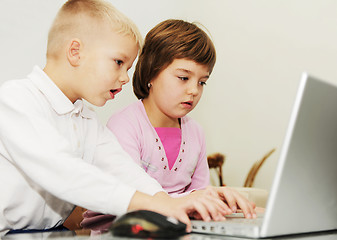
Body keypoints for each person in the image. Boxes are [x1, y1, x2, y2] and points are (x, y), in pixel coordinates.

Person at [0, 1, 238, 236]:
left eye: (128, 67)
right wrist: (161, 205)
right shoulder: (15, 100)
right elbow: (63, 171)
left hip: (52, 233)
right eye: (118, 62)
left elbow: (125, 170)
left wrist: (165, 201)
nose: (125, 77)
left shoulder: (87, 120)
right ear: (76, 52)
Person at [81, 19, 257, 233]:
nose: (194, 90)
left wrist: (219, 203)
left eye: (202, 82)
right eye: (184, 78)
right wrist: (194, 200)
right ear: (151, 73)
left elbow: (199, 197)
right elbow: (131, 200)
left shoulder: (196, 133)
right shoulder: (124, 125)